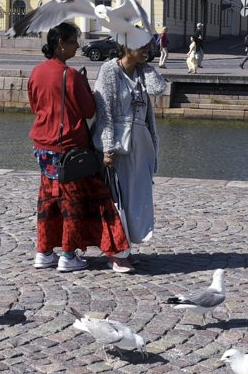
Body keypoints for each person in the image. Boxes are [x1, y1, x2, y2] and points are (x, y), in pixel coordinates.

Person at [27, 22, 131, 274]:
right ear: (61, 43)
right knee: (75, 202)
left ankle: (44, 252)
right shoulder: (70, 75)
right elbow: (88, 110)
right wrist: (84, 85)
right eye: (74, 41)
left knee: (48, 201)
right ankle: (69, 255)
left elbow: (34, 105)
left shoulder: (37, 72)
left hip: (43, 147)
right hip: (70, 148)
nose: (78, 46)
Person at [93, 37, 168, 256]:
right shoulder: (109, 71)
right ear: (127, 45)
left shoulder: (141, 72)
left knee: (138, 198)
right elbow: (104, 112)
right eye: (141, 45)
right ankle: (117, 251)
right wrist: (107, 148)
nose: (147, 49)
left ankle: (126, 246)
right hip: (119, 146)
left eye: (148, 45)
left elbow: (158, 88)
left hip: (142, 145)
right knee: (119, 198)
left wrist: (145, 65)